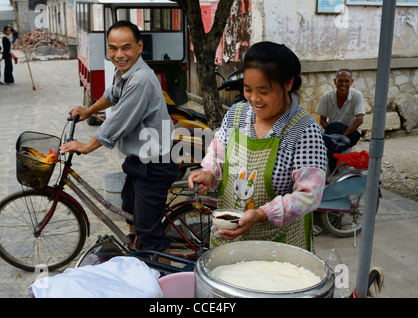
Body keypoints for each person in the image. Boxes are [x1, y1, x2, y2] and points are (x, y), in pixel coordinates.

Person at [188, 41, 327, 251]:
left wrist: (262, 214)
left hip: (278, 246)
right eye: (248, 89)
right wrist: (209, 174)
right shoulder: (236, 115)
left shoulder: (303, 129)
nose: (254, 98)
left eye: (264, 91)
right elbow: (217, 157)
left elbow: (309, 195)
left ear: (288, 84)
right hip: (229, 240)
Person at [59, 21, 178, 260]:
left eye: (126, 47)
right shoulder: (126, 72)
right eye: (113, 48)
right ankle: (139, 252)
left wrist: (87, 146)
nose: (119, 54)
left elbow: (119, 121)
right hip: (139, 159)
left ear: (139, 46)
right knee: (129, 208)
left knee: (148, 229)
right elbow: (112, 95)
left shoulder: (141, 79)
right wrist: (89, 110)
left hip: (155, 162)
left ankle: (164, 271)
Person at [316, 69, 365, 172]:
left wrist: (341, 136)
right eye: (340, 80)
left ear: (351, 82)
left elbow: (359, 120)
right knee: (332, 128)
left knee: (334, 127)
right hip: (332, 133)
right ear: (335, 81)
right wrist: (334, 136)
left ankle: (331, 164)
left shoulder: (357, 95)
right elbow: (322, 120)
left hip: (352, 134)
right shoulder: (327, 97)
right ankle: (333, 169)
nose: (343, 84)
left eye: (347, 81)